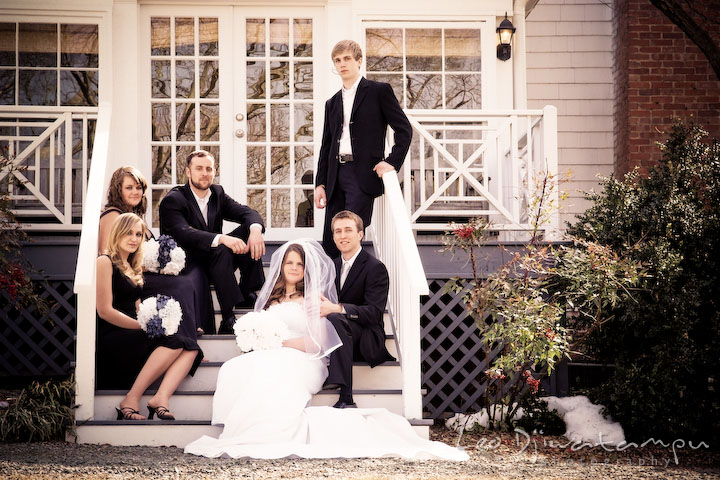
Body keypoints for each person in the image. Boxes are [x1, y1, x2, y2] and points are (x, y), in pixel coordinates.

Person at [183, 239, 468, 460]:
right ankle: (243, 429)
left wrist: (277, 343)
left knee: (272, 369)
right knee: (237, 367)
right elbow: (262, 331)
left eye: (299, 264)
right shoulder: (270, 298)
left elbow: (315, 344)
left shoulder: (313, 299)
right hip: (275, 351)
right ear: (281, 267)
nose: (293, 268)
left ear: (307, 269)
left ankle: (267, 431)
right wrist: (257, 339)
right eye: (289, 263)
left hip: (306, 358)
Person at [96, 213, 203, 421]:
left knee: (191, 348)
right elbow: (104, 311)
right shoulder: (105, 261)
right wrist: (141, 326)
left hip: (135, 330)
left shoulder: (134, 268)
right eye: (128, 233)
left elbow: (139, 308)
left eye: (138, 234)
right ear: (117, 233)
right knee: (177, 343)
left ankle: (160, 398)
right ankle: (131, 399)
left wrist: (161, 322)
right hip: (114, 334)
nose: (134, 239)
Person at [314, 39, 412, 258]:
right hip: (335, 176)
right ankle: (332, 290)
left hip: (361, 175)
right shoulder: (332, 102)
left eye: (347, 59)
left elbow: (404, 129)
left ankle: (352, 288)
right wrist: (320, 183)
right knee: (332, 239)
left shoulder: (378, 92)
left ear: (359, 61)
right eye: (337, 60)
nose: (342, 64)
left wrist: (392, 162)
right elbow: (326, 145)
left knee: (350, 232)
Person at [159, 150, 266, 334]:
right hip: (190, 264)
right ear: (188, 172)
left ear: (214, 172)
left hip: (218, 261)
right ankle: (228, 316)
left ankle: (248, 291)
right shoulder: (174, 199)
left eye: (209, 169)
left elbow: (247, 212)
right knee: (223, 247)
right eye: (199, 168)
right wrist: (222, 238)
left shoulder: (217, 193)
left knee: (247, 231)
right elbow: (184, 233)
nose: (204, 173)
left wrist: (255, 230)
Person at [99, 165, 211, 337]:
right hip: (127, 277)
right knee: (181, 285)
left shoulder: (134, 216)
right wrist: (140, 267)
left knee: (196, 271)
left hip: (143, 272)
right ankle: (186, 334)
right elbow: (108, 253)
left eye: (138, 187)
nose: (135, 192)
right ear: (117, 190)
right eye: (129, 187)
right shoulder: (113, 215)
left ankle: (197, 324)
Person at [320, 210, 395, 408]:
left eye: (348, 230)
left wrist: (338, 308)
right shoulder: (331, 266)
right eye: (337, 231)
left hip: (366, 337)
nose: (342, 236)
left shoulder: (375, 268)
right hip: (338, 334)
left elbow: (374, 313)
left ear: (360, 234)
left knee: (336, 318)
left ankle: (346, 395)